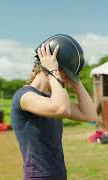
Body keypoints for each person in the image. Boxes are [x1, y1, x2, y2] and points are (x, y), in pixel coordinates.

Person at [11, 43, 97, 180]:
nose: (66, 81)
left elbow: (90, 115)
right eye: (66, 74)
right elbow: (61, 109)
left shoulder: (51, 99)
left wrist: (76, 81)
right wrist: (53, 70)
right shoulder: (23, 96)